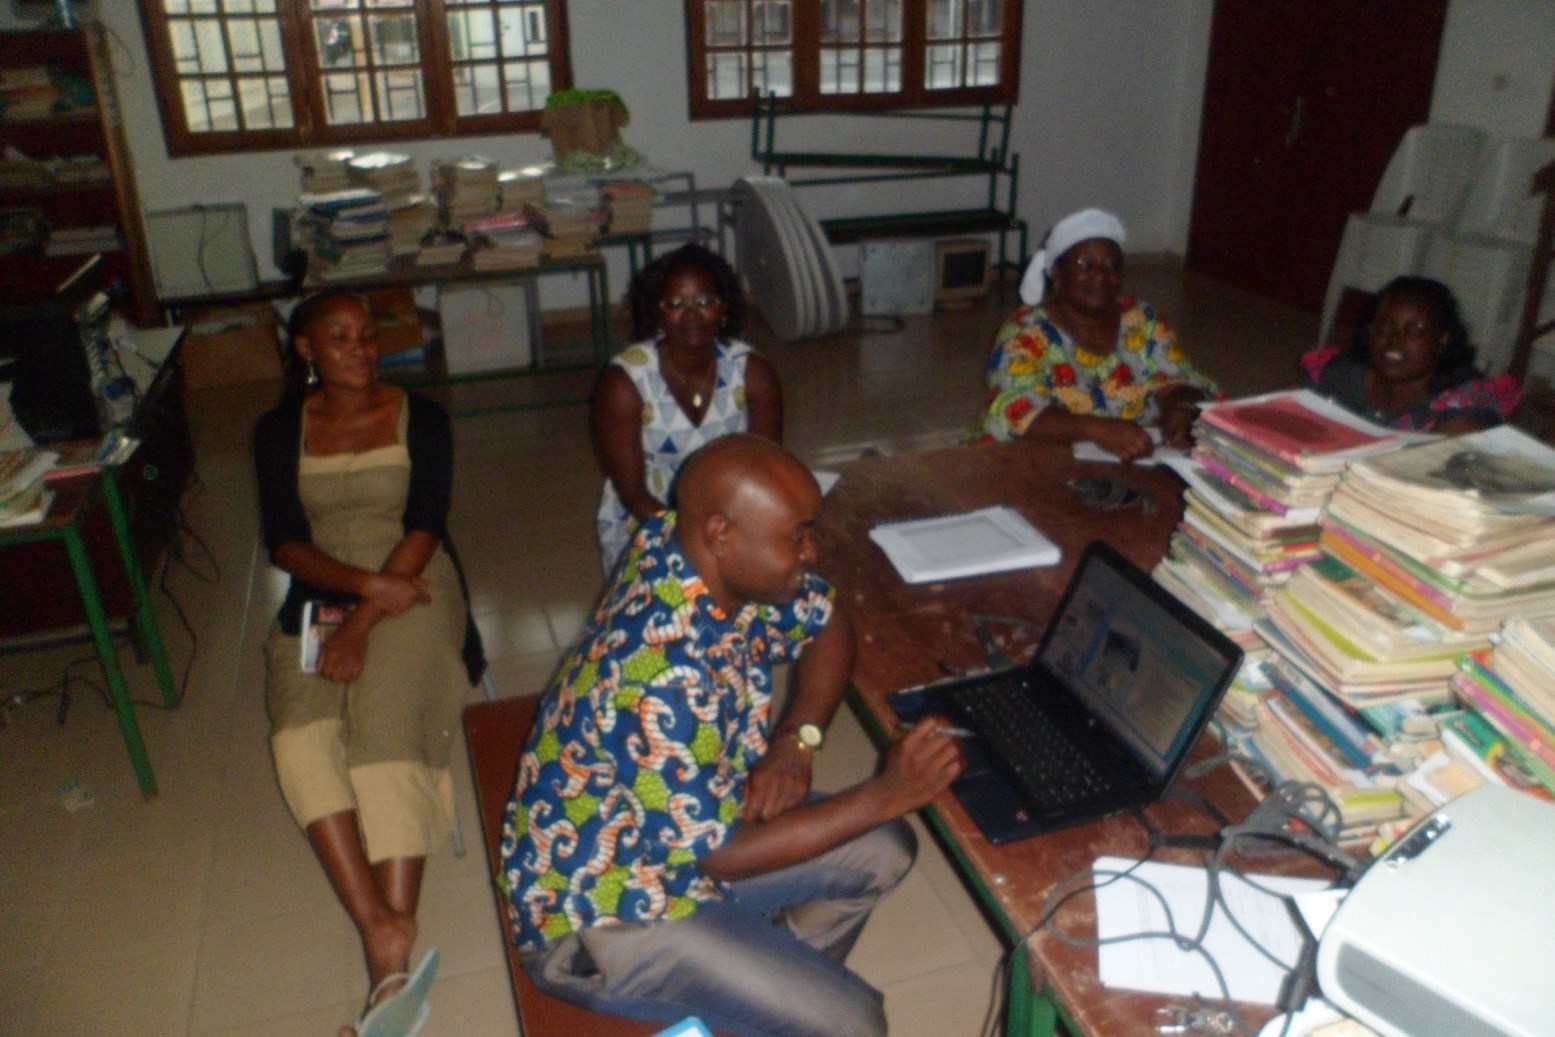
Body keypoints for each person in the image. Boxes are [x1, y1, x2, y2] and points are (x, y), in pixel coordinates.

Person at [499, 435, 965, 1037]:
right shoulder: (659, 673)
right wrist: (887, 791)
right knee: (855, 1023)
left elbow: (828, 621)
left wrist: (796, 741)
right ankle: (766, 994)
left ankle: (760, 990)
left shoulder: (683, 547)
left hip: (680, 839)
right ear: (722, 534)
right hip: (602, 910)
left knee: (885, 847)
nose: (811, 550)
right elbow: (724, 854)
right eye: (795, 535)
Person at [253, 289, 483, 1035]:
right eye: (339, 336)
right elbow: (284, 541)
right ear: (306, 350)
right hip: (329, 590)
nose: (360, 348)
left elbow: (424, 524)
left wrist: (369, 618)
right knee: (300, 734)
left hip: (413, 585)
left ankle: (388, 961)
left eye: (367, 334)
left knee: (381, 736)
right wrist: (354, 598)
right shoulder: (279, 428)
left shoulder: (423, 415)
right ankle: (377, 922)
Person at [592, 243, 783, 573]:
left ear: (724, 309)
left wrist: (733, 534)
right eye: (675, 304)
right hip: (646, 519)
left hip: (731, 517)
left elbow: (765, 471)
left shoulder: (753, 373)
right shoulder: (624, 383)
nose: (692, 315)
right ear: (656, 312)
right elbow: (633, 494)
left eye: (705, 302)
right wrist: (698, 542)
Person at [969, 208, 1217, 460]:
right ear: (1056, 270)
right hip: (1032, 455)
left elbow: (1179, 379)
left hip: (1130, 459)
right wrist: (1098, 430)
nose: (1100, 275)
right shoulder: (1025, 333)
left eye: (1112, 266)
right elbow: (1016, 408)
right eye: (1084, 264)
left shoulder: (1142, 320)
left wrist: (1182, 408)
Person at [1300, 275, 1522, 433]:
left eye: (1413, 329)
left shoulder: (1461, 401)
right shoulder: (1346, 374)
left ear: (1443, 339)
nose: (1394, 339)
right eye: (1385, 326)